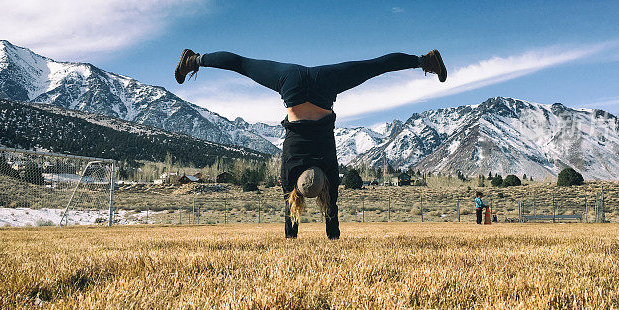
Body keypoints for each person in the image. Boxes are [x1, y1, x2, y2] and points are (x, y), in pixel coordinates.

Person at [174, 48, 447, 238]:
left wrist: (333, 235)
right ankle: (194, 60)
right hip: (290, 83)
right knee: (242, 64)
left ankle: (425, 61)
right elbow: (289, 205)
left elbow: (332, 205)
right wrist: (292, 237)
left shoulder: (326, 164)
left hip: (323, 84)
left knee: (374, 66)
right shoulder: (291, 168)